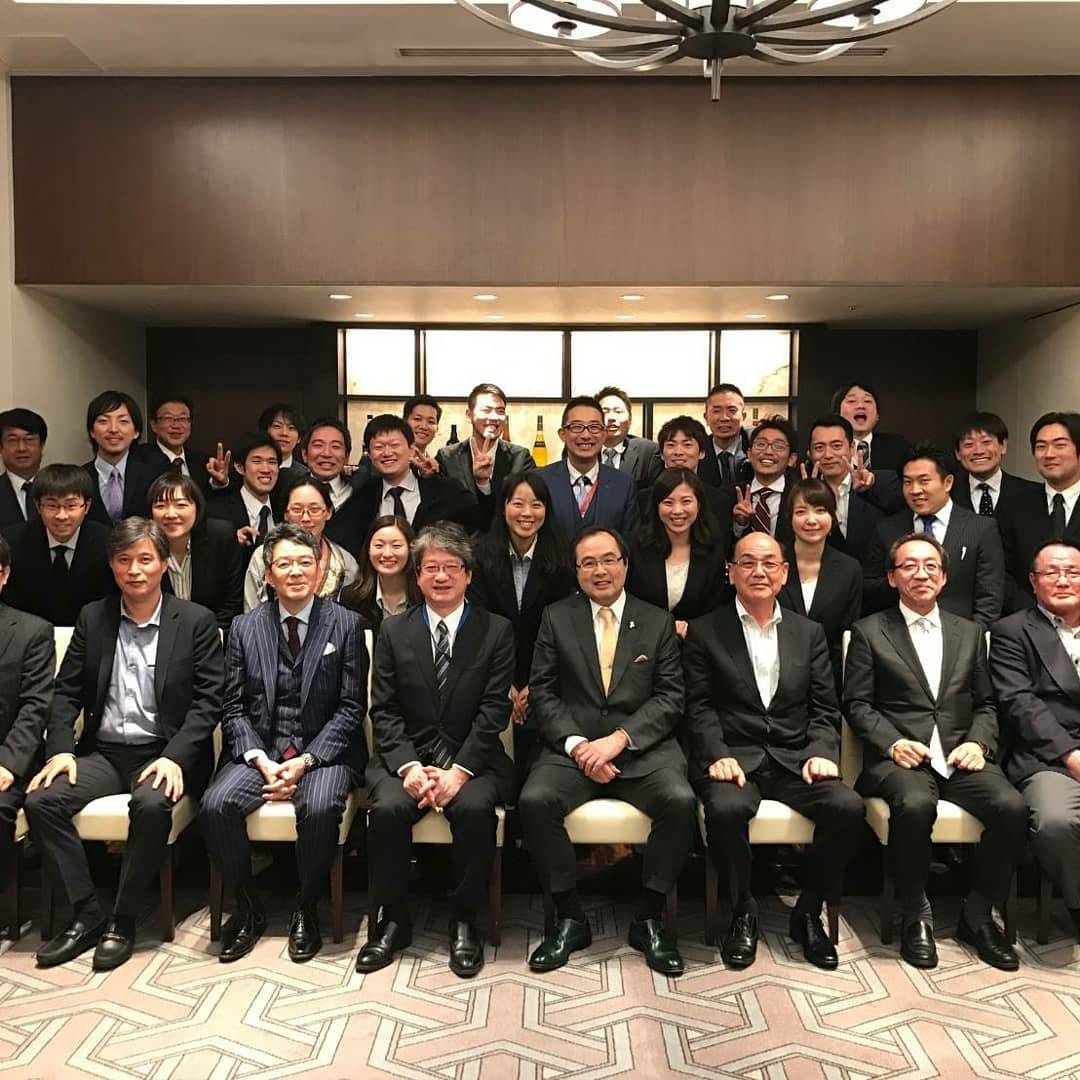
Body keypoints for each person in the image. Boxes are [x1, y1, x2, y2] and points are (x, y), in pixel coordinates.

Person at [24, 518, 224, 971]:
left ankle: (123, 919)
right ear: (112, 565)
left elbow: (208, 702)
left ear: (163, 564)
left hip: (163, 753)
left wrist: (175, 757)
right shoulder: (93, 618)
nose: (135, 570)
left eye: (145, 559)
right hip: (104, 753)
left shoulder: (195, 621)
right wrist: (61, 750)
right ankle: (86, 913)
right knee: (41, 802)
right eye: (124, 560)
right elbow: (65, 693)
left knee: (150, 806)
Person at [683, 532, 865, 971]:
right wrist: (716, 754)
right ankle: (742, 910)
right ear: (730, 573)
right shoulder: (706, 631)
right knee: (725, 810)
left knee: (847, 807)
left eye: (769, 563)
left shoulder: (809, 633)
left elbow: (825, 707)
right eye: (747, 563)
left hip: (795, 758)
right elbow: (698, 706)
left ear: (784, 573)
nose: (759, 572)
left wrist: (822, 750)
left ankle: (808, 911)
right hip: (733, 758)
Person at [520, 526, 696, 976]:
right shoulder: (556, 617)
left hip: (640, 749)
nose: (600, 571)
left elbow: (670, 697)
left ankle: (649, 917)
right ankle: (569, 917)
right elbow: (543, 692)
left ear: (625, 565)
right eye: (588, 563)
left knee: (679, 802)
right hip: (573, 748)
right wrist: (579, 746)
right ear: (577, 571)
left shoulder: (656, 620)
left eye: (608, 560)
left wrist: (619, 739)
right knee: (535, 801)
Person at [845, 533, 1025, 971]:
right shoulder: (869, 632)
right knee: (914, 804)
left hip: (961, 754)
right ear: (892, 578)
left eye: (930, 566)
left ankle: (977, 913)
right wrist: (892, 742)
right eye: (909, 566)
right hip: (900, 757)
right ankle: (915, 913)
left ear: (944, 578)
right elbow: (857, 704)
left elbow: (986, 703)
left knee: (1012, 808)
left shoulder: (971, 632)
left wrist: (978, 743)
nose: (920, 574)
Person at [201, 524, 366, 963]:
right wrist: (261, 760)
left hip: (323, 753)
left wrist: (306, 761)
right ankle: (248, 908)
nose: (295, 572)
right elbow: (232, 707)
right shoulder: (243, 627)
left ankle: (306, 907)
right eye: (285, 564)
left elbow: (351, 708)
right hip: (262, 751)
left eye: (305, 562)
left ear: (319, 570)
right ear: (268, 575)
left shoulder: (346, 625)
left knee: (320, 806)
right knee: (216, 805)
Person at [357, 523, 516, 978]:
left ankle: (465, 921)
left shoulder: (496, 630)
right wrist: (409, 767)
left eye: (451, 567)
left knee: (474, 809)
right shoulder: (393, 630)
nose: (441, 576)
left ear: (468, 575)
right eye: (431, 568)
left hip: (473, 758)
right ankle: (393, 921)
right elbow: (383, 709)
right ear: (418, 576)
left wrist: (459, 771)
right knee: (387, 809)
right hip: (406, 757)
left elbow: (494, 711)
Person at [991, 540, 1080, 941]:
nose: (1063, 580)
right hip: (1049, 758)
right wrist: (1071, 754)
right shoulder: (1012, 631)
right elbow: (1020, 703)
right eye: (1052, 572)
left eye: (1072, 572)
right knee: (1055, 822)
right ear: (1033, 581)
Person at [467, 472, 576, 770]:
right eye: (518, 503)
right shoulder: (478, 556)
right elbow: (478, 624)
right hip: (491, 675)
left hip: (547, 677)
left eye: (536, 504)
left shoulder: (564, 558)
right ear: (503, 507)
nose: (527, 513)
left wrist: (534, 685)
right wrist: (506, 684)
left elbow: (563, 628)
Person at [863, 444, 1005, 627]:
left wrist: (970, 638)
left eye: (924, 481)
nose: (915, 490)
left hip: (960, 634)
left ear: (948, 483)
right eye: (908, 482)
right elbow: (869, 588)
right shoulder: (887, 528)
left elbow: (989, 598)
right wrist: (904, 576)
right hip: (897, 633)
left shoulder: (981, 529)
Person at [0, 534, 55, 937]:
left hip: (8, 760)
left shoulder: (32, 632)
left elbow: (36, 708)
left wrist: (6, 764)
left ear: (3, 575)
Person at [777, 478, 862, 693]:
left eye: (820, 510)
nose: (811, 520)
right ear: (789, 518)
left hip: (829, 681)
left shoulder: (849, 569)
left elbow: (847, 635)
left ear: (833, 516)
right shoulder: (772, 563)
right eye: (801, 512)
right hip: (775, 674)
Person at [2, 464, 114, 627]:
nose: (61, 516)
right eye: (52, 506)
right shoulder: (12, 542)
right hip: (28, 635)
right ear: (38, 506)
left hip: (91, 634)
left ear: (87, 506)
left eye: (71, 506)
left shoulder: (108, 543)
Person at [628, 468, 729, 638]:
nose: (677, 511)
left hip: (695, 642)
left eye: (686, 501)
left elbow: (715, 609)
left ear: (699, 505)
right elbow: (629, 602)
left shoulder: (713, 550)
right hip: (643, 639)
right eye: (668, 503)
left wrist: (690, 628)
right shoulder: (636, 546)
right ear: (656, 506)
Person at [350, 414, 478, 544]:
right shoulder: (363, 497)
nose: (387, 453)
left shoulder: (445, 491)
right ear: (369, 455)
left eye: (394, 445)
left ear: (412, 450)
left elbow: (479, 520)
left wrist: (482, 481)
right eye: (378, 447)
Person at [996, 412, 1080, 610]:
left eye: (1060, 445)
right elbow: (1002, 571)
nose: (1049, 454)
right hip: (1028, 618)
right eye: (1041, 446)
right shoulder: (1014, 505)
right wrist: (1038, 614)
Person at [243, 477, 359, 612]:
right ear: (286, 514)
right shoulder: (263, 556)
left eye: (314, 510)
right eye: (297, 510)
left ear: (328, 512)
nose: (305, 518)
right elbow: (251, 614)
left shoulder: (345, 562)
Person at [148, 473, 244, 632]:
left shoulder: (221, 537)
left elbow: (232, 602)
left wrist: (207, 637)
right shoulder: (143, 547)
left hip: (214, 635)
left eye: (181, 505)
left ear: (197, 507)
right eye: (161, 506)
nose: (171, 514)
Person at [537, 397, 639, 545]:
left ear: (604, 434)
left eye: (594, 427)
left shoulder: (624, 485)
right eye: (577, 427)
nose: (586, 435)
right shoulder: (540, 481)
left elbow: (630, 544)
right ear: (562, 434)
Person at [436, 383, 535, 530]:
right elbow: (443, 511)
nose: (494, 417)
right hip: (461, 541)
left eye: (500, 411)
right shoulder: (447, 457)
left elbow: (528, 504)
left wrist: (484, 484)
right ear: (469, 415)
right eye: (486, 410)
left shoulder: (520, 457)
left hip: (505, 540)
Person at [804, 414, 884, 563]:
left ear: (852, 448)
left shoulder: (874, 486)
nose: (828, 455)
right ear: (810, 453)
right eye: (819, 447)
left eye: (836, 446)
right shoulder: (802, 491)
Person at [83, 390, 163, 526]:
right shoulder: (79, 478)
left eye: (123, 421)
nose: (113, 429)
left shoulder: (153, 474)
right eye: (103, 421)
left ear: (136, 432)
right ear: (92, 431)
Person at [205, 432, 281, 566]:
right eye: (257, 461)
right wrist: (228, 541)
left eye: (272, 462)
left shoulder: (284, 508)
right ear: (240, 467)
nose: (266, 469)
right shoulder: (218, 512)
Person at [951, 411, 1040, 520]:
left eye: (986, 442)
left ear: (1003, 446)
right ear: (958, 453)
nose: (979, 451)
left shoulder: (1033, 494)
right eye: (969, 444)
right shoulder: (946, 494)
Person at [339, 516, 422, 633]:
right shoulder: (352, 598)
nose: (387, 554)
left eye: (396, 546)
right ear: (368, 550)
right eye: (379, 545)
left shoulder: (424, 596)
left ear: (410, 550)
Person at [649, 415, 733, 529]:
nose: (678, 452)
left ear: (702, 452)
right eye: (671, 445)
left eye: (687, 445)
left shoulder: (719, 500)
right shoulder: (644, 499)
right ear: (662, 454)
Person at [730, 415, 799, 546]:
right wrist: (739, 524)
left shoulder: (800, 495)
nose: (768, 451)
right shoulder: (730, 495)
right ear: (749, 454)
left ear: (792, 458)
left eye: (778, 446)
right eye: (761, 444)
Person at [831, 381, 912, 476]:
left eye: (867, 401)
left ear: (877, 415)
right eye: (852, 401)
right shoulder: (826, 449)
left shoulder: (898, 447)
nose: (860, 406)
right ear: (837, 414)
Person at [140, 396, 211, 494]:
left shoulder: (203, 462)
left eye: (182, 418)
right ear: (153, 425)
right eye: (168, 418)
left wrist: (220, 483)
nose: (176, 426)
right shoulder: (139, 459)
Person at [596, 386, 661, 490]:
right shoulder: (581, 450)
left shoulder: (648, 452)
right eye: (605, 412)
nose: (611, 418)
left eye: (618, 411)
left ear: (630, 420)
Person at [0, 407, 47, 527]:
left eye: (29, 439)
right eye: (12, 440)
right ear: (1, 447)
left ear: (41, 445)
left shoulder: (61, 489)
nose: (22, 448)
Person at [700, 383, 750, 490]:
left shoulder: (755, 447)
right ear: (706, 417)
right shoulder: (698, 451)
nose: (724, 418)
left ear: (743, 416)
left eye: (732, 410)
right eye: (716, 411)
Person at [258, 402, 309, 481]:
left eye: (291, 428)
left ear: (299, 438)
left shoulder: (306, 475)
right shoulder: (252, 469)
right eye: (277, 426)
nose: (284, 433)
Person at [403, 394, 442, 478]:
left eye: (431, 422)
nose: (424, 427)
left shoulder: (438, 467)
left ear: (437, 428)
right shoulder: (387, 460)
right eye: (417, 419)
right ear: (404, 422)